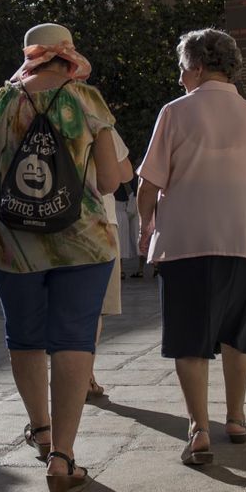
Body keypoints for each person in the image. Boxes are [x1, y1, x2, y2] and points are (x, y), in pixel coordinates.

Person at [0, 23, 120, 492]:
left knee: (24, 336)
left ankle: (40, 431)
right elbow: (113, 181)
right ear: (67, 57)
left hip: (14, 242)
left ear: (31, 57)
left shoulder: (1, 102)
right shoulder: (87, 100)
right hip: (83, 239)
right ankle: (63, 457)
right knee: (75, 337)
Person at [137, 28, 246, 466]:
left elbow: (149, 183)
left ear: (199, 66)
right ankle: (237, 418)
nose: (181, 78)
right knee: (236, 333)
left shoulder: (175, 113)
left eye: (183, 69)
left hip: (186, 240)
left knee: (190, 337)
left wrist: (145, 227)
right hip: (242, 239)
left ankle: (199, 430)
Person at [88, 132, 135, 400]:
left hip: (40, 228)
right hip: (97, 221)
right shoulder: (94, 113)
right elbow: (124, 173)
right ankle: (84, 376)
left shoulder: (16, 105)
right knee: (93, 309)